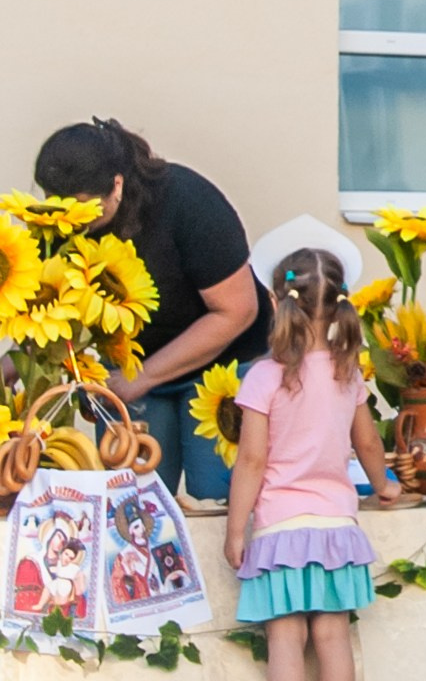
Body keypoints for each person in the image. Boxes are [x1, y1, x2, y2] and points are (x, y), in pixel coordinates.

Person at [223, 246, 399, 681]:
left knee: (285, 640)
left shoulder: (266, 376)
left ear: (279, 300)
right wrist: (387, 484)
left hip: (281, 527)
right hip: (336, 528)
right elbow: (367, 440)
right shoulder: (349, 374)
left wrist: (235, 528)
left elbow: (251, 459)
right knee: (332, 637)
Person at [33, 119, 268, 507]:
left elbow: (237, 311)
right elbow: (49, 316)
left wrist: (141, 378)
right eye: (59, 207)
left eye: (81, 209)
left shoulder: (188, 201)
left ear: (118, 184)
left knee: (214, 499)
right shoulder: (59, 221)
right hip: (131, 368)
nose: (69, 221)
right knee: (132, 502)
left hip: (222, 364)